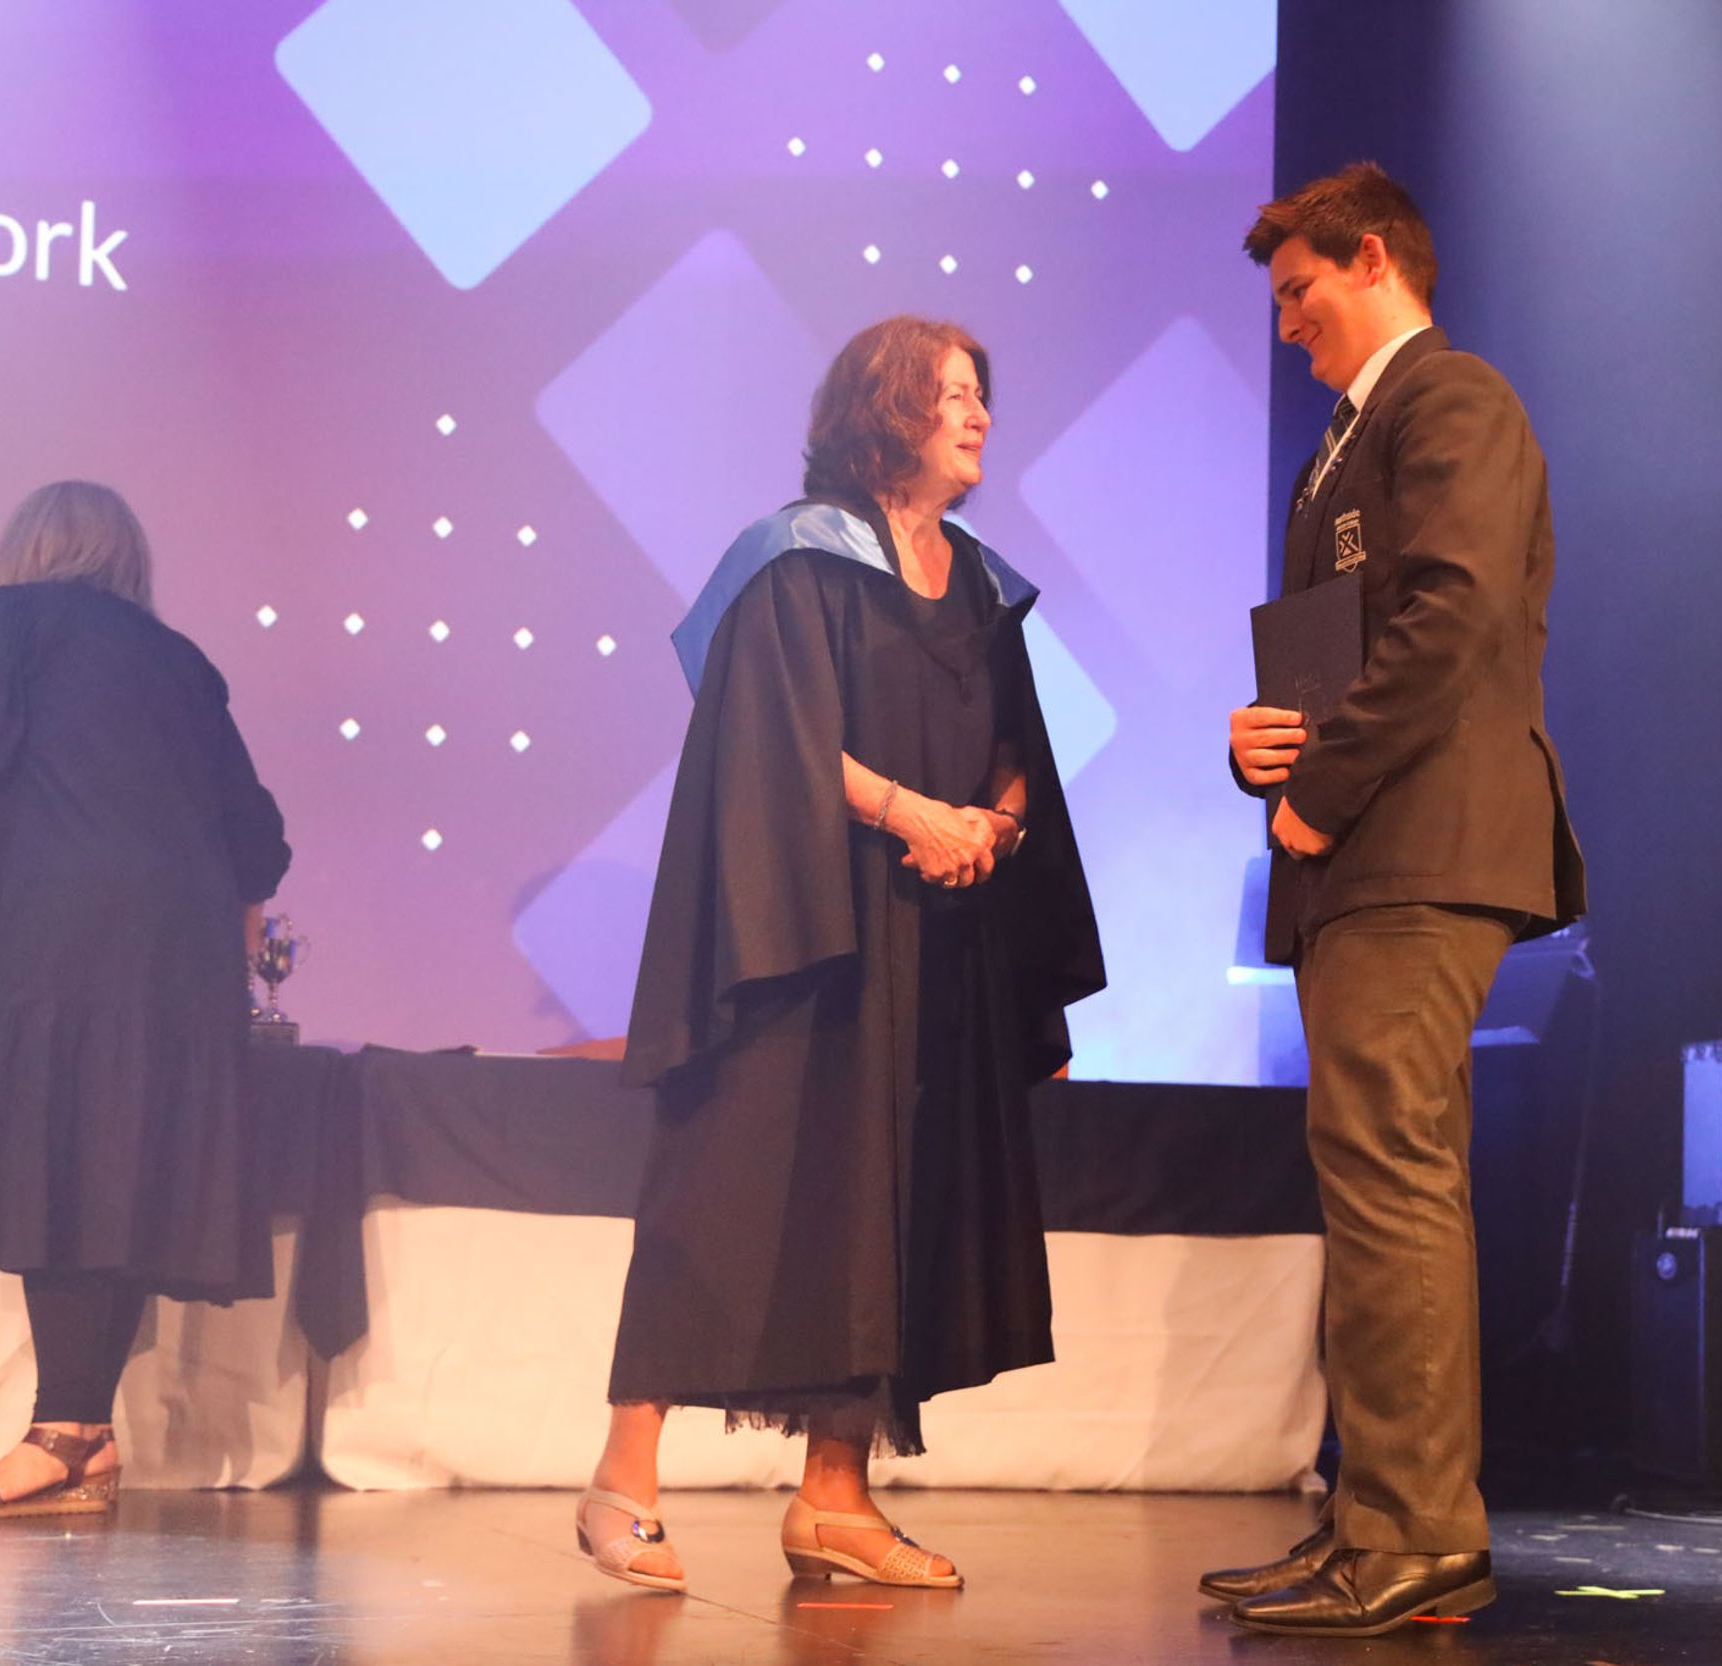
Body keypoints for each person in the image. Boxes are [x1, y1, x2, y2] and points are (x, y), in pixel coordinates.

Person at [576, 317, 1104, 1594]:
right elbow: (774, 739)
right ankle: (620, 1479)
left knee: (890, 1208)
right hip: (802, 927)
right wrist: (912, 814)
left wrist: (993, 823)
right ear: (885, 411)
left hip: (937, 935)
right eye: (951, 393)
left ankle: (834, 1498)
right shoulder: (795, 559)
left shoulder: (980, 585)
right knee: (732, 1190)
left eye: (981, 393)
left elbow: (1019, 749)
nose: (978, 415)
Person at [1202, 163, 1587, 1637]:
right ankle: (1373, 1520)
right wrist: (1263, 745)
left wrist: (1321, 782)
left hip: (1419, 845)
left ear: (1374, 259)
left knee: (1392, 1168)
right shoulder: (1342, 447)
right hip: (1363, 850)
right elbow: (1345, 648)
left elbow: (1454, 614)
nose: (1287, 323)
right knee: (1372, 1172)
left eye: (1300, 289)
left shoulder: (1453, 399)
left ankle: (1420, 1531)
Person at [0, 480, 291, 1520]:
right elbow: (253, 831)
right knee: (121, 1165)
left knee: (54, 1159)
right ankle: (87, 1434)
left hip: (51, 926)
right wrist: (232, 954)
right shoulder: (179, 659)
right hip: (176, 945)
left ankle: (62, 1432)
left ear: (23, 546)